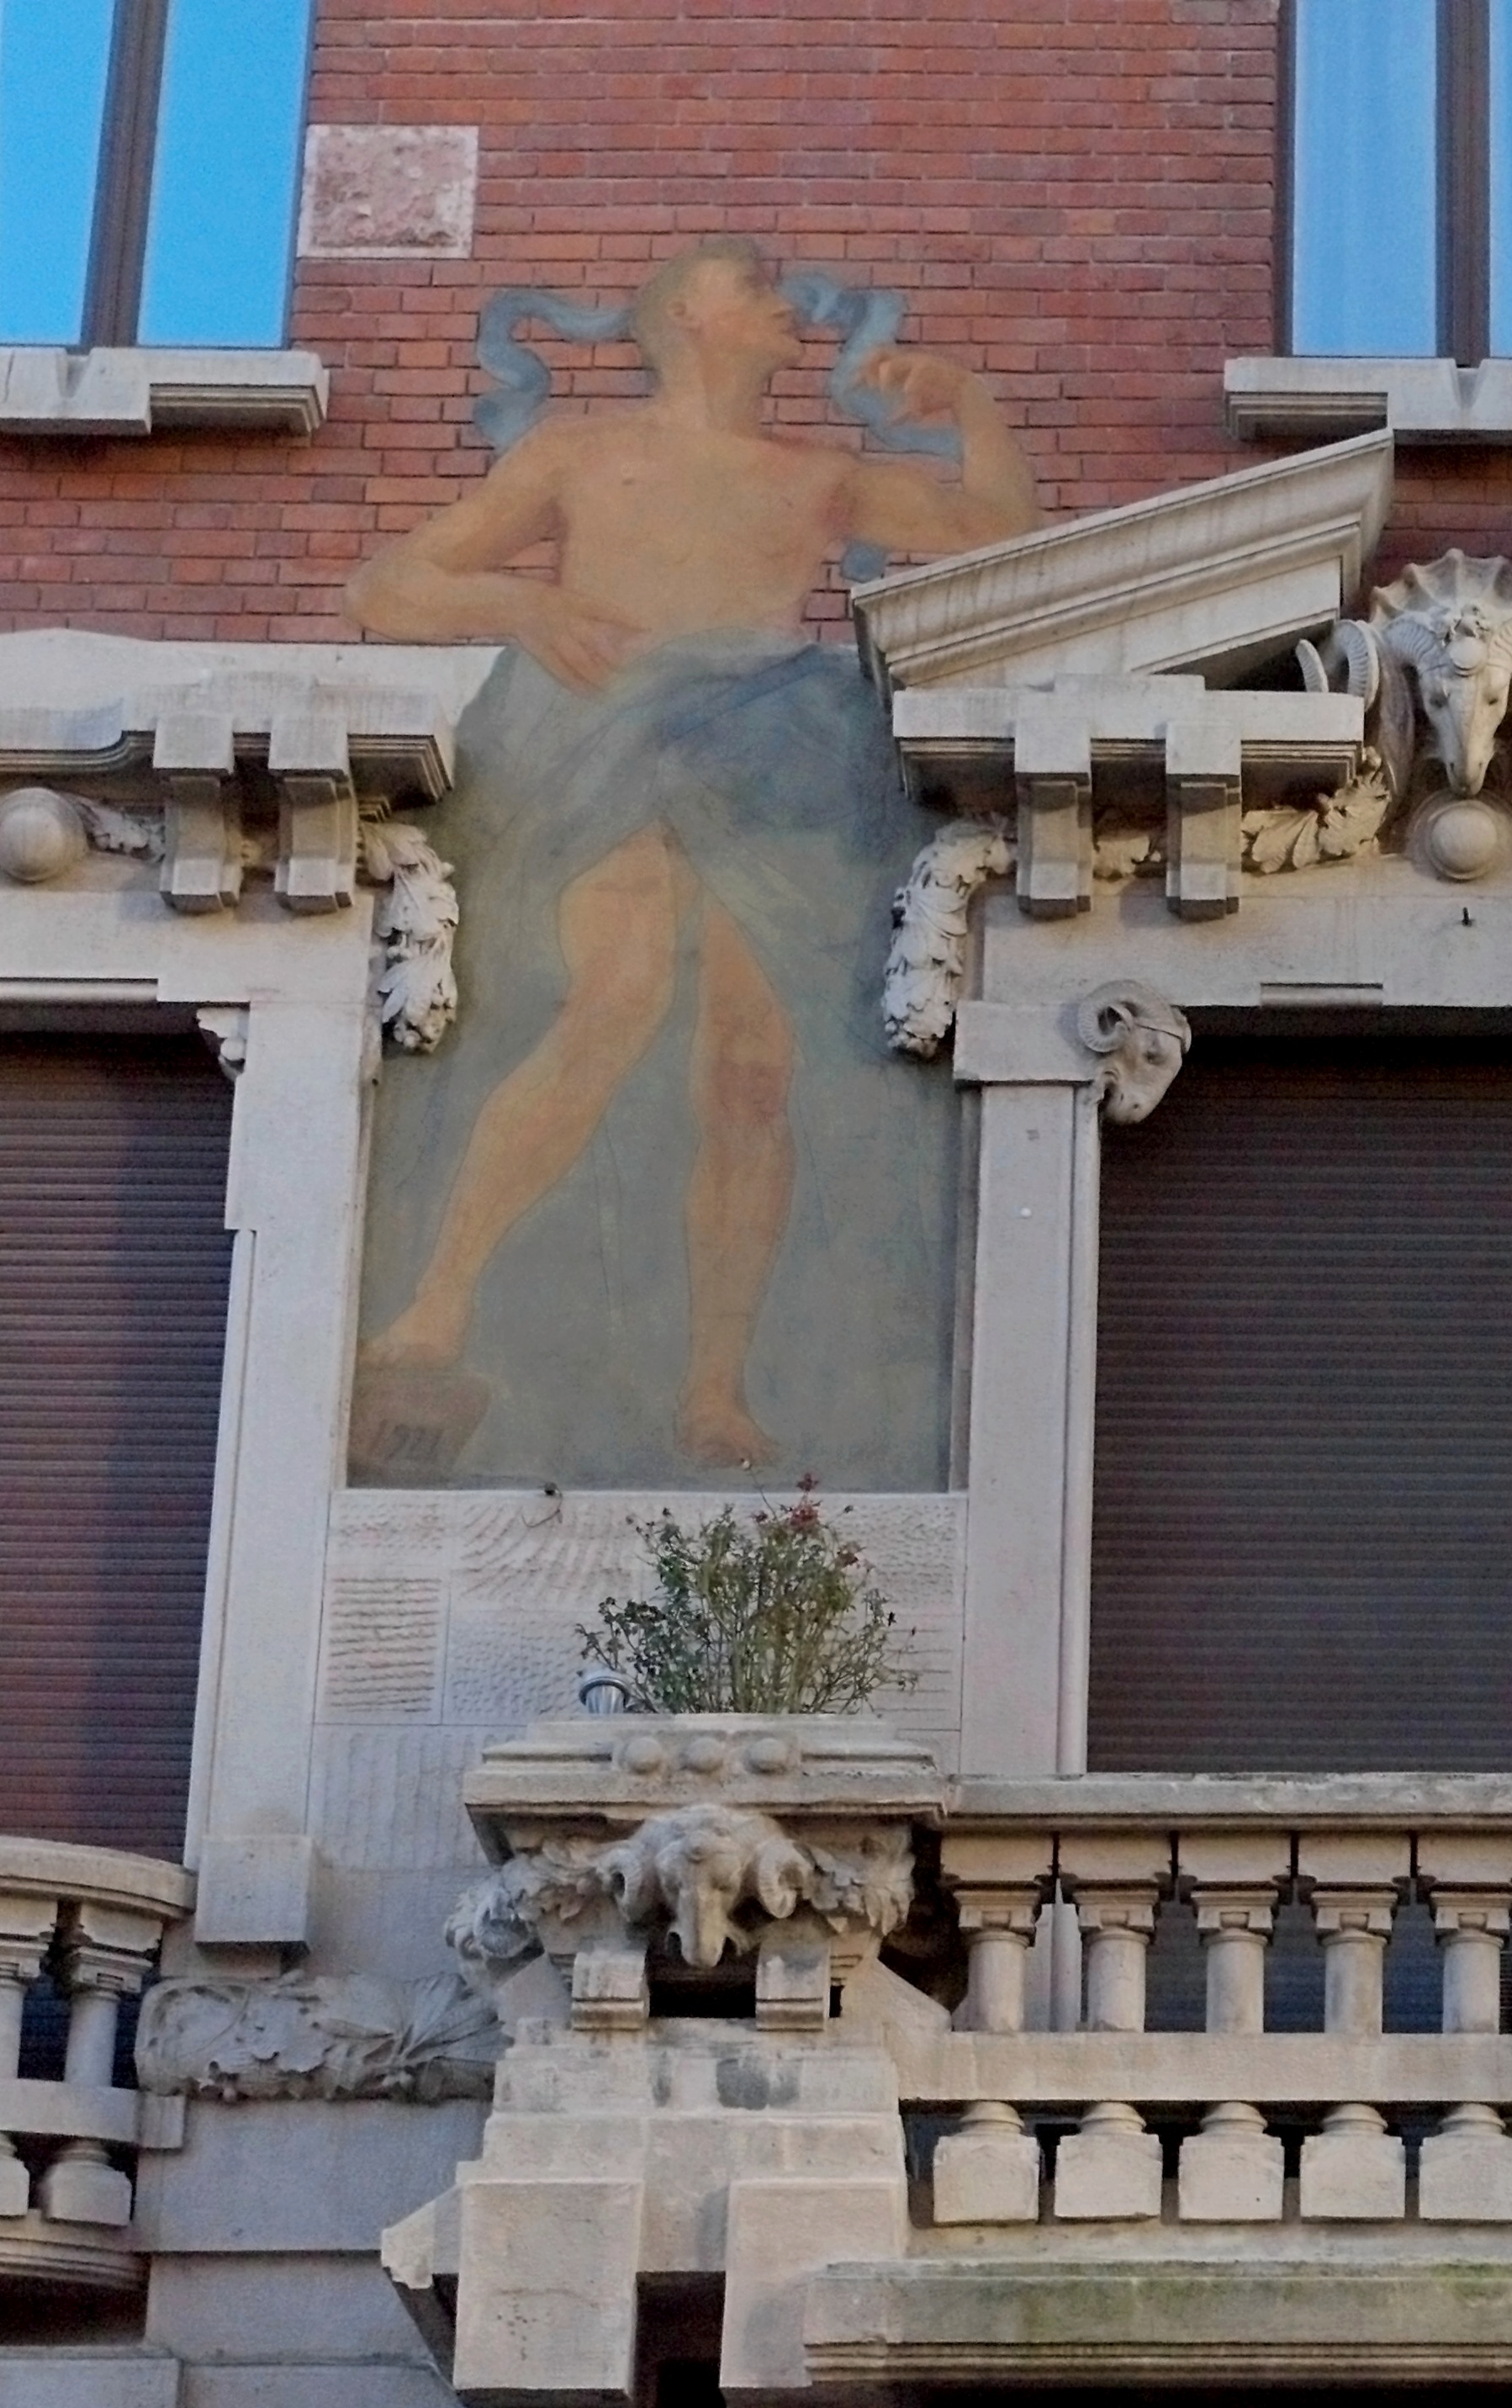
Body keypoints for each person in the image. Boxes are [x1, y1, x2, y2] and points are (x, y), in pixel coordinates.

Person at [346, 238, 1039, 1481]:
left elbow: (997, 529)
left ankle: (713, 1390)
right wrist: (524, 605)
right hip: (612, 745)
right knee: (612, 1001)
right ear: (685, 315)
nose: (786, 304)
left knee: (749, 1071)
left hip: (772, 755)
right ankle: (440, 1299)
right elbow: (393, 583)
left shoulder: (814, 473)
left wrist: (969, 406)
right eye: (754, 284)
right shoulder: (578, 454)